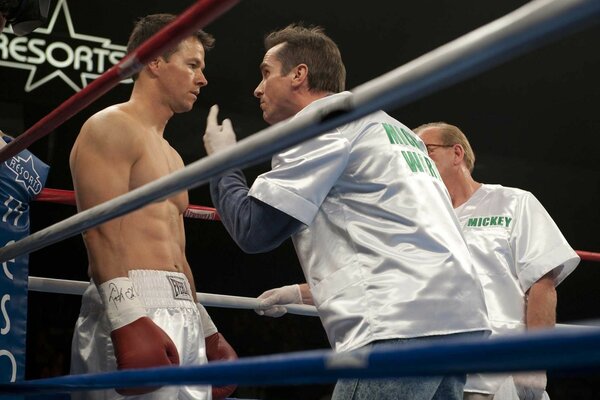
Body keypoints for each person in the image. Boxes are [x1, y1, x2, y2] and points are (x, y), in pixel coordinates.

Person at [203, 24, 490, 400]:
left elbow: (254, 230)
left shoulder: (322, 122)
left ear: (298, 74)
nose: (258, 88)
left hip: (398, 324)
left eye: (266, 73)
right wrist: (303, 292)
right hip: (458, 321)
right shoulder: (391, 127)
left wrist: (223, 163)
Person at [68, 14, 236, 400]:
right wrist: (127, 318)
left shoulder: (173, 156)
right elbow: (99, 232)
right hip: (130, 306)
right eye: (192, 65)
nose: (202, 79)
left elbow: (178, 256)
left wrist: (207, 328)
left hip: (183, 310)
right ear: (155, 61)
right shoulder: (109, 126)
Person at [412, 122, 580, 400]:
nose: (419, 161)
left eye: (426, 151)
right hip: (431, 372)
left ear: (457, 154)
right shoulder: (419, 220)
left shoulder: (513, 202)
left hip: (495, 369)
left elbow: (541, 282)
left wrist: (535, 361)